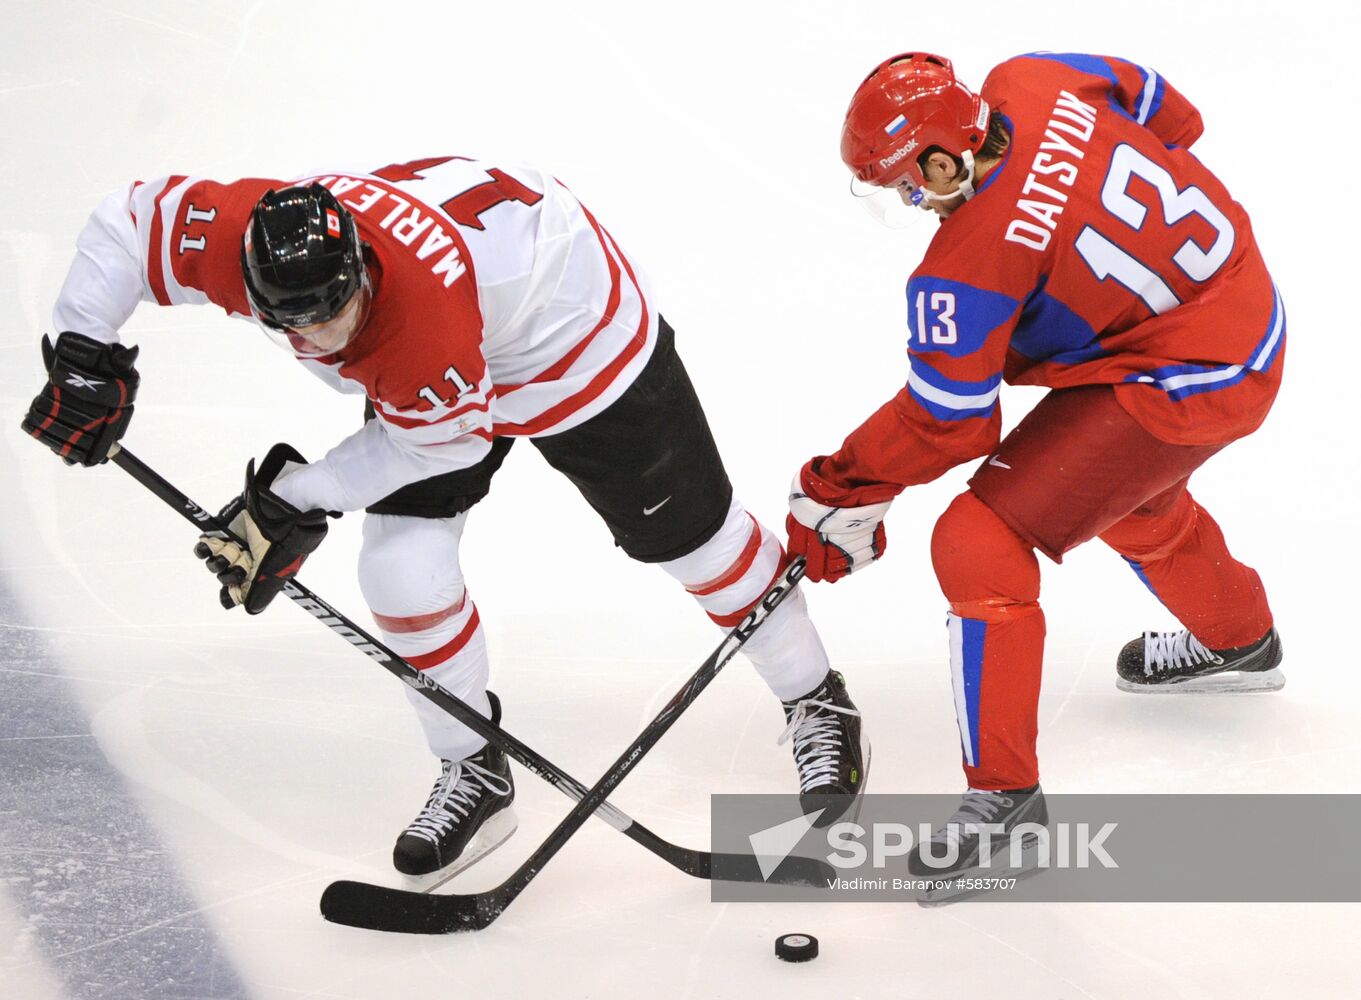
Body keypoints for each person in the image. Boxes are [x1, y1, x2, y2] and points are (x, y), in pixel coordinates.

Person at [22, 156, 868, 878]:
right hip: (457, 341)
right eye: (294, 318)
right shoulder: (247, 235)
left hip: (570, 330)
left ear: (361, 268)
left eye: (333, 308)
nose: (317, 332)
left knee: (693, 542)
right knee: (397, 566)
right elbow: (129, 222)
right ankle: (473, 767)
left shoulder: (414, 328)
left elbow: (445, 447)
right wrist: (84, 356)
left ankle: (815, 699)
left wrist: (294, 496)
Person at [786, 52, 1285, 886]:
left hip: (1184, 378)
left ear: (943, 159)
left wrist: (841, 485)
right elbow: (1174, 115)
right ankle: (1239, 638)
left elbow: (948, 423)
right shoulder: (1033, 77)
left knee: (978, 535)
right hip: (1243, 306)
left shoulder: (968, 263)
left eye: (909, 184)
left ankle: (1006, 801)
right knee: (1119, 498)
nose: (912, 202)